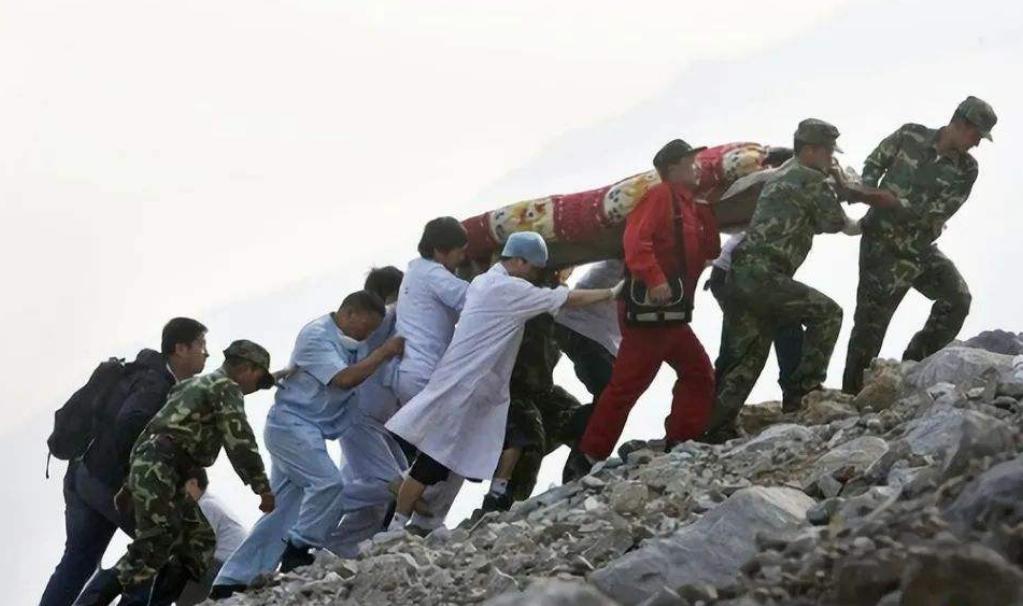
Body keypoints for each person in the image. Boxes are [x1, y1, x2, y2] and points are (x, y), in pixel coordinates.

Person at [385, 232, 618, 530]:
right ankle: (401, 525)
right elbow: (568, 299)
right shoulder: (510, 290)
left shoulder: (488, 283)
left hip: (489, 389)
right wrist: (612, 293)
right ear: (519, 262)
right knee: (435, 461)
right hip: (468, 388)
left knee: (512, 441)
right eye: (535, 269)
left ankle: (504, 497)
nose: (536, 276)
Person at [703, 119, 894, 441]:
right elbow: (839, 224)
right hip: (765, 275)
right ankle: (804, 392)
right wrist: (870, 209)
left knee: (744, 359)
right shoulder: (808, 178)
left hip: (742, 275)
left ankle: (711, 426)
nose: (831, 158)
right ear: (811, 150)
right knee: (828, 314)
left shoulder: (782, 174)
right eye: (828, 152)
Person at [210, 292, 403, 599]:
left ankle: (231, 581)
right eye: (363, 328)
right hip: (291, 426)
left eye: (371, 332)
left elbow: (391, 312)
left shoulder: (350, 335)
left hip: (308, 430)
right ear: (349, 313)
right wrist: (384, 353)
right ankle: (299, 550)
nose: (366, 336)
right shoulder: (316, 338)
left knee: (283, 510)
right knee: (328, 484)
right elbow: (344, 379)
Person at [74, 340, 276, 606]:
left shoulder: (191, 385)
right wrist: (262, 487)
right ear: (247, 369)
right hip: (163, 469)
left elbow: (151, 431)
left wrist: (129, 485)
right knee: (152, 547)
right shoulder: (226, 388)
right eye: (259, 380)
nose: (255, 389)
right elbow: (240, 442)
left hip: (161, 469)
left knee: (198, 541)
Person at [566, 139, 721, 480]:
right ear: (672, 168)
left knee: (697, 373)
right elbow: (636, 241)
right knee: (628, 386)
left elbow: (711, 249)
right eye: (691, 162)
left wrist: (707, 209)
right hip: (651, 317)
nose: (698, 167)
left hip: (672, 317)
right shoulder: (660, 197)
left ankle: (682, 439)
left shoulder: (691, 206)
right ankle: (589, 455)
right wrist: (654, 279)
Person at [41, 317, 208, 606]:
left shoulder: (141, 373)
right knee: (160, 543)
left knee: (78, 560)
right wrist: (138, 480)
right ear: (180, 349)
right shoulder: (156, 385)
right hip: (108, 481)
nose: (206, 353)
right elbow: (129, 425)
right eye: (201, 345)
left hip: (83, 475)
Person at [843, 96, 997, 395]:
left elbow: (936, 214)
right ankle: (852, 398)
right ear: (961, 123)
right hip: (881, 248)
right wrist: (869, 192)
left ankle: (914, 366)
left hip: (918, 250)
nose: (976, 144)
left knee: (957, 299)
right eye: (976, 135)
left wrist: (889, 201)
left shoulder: (967, 169)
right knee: (868, 330)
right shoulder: (909, 134)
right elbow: (874, 164)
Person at [390, 217, 470, 533]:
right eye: (459, 252)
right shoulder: (433, 274)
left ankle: (425, 518)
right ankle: (400, 520)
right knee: (443, 449)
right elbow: (473, 299)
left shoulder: (416, 272)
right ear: (440, 250)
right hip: (425, 374)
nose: (462, 258)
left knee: (453, 449)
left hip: (415, 374)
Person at [707, 233, 805, 406]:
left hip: (739, 276)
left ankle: (713, 406)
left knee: (782, 325)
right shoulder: (779, 220)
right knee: (749, 339)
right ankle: (795, 393)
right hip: (735, 277)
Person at [552, 260, 624, 400]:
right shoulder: (643, 251)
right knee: (610, 394)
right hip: (583, 326)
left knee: (614, 394)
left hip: (599, 333)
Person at [175, 469, 247, 606]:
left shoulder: (205, 506)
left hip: (225, 565)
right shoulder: (209, 501)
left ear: (193, 483)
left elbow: (198, 547)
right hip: (231, 564)